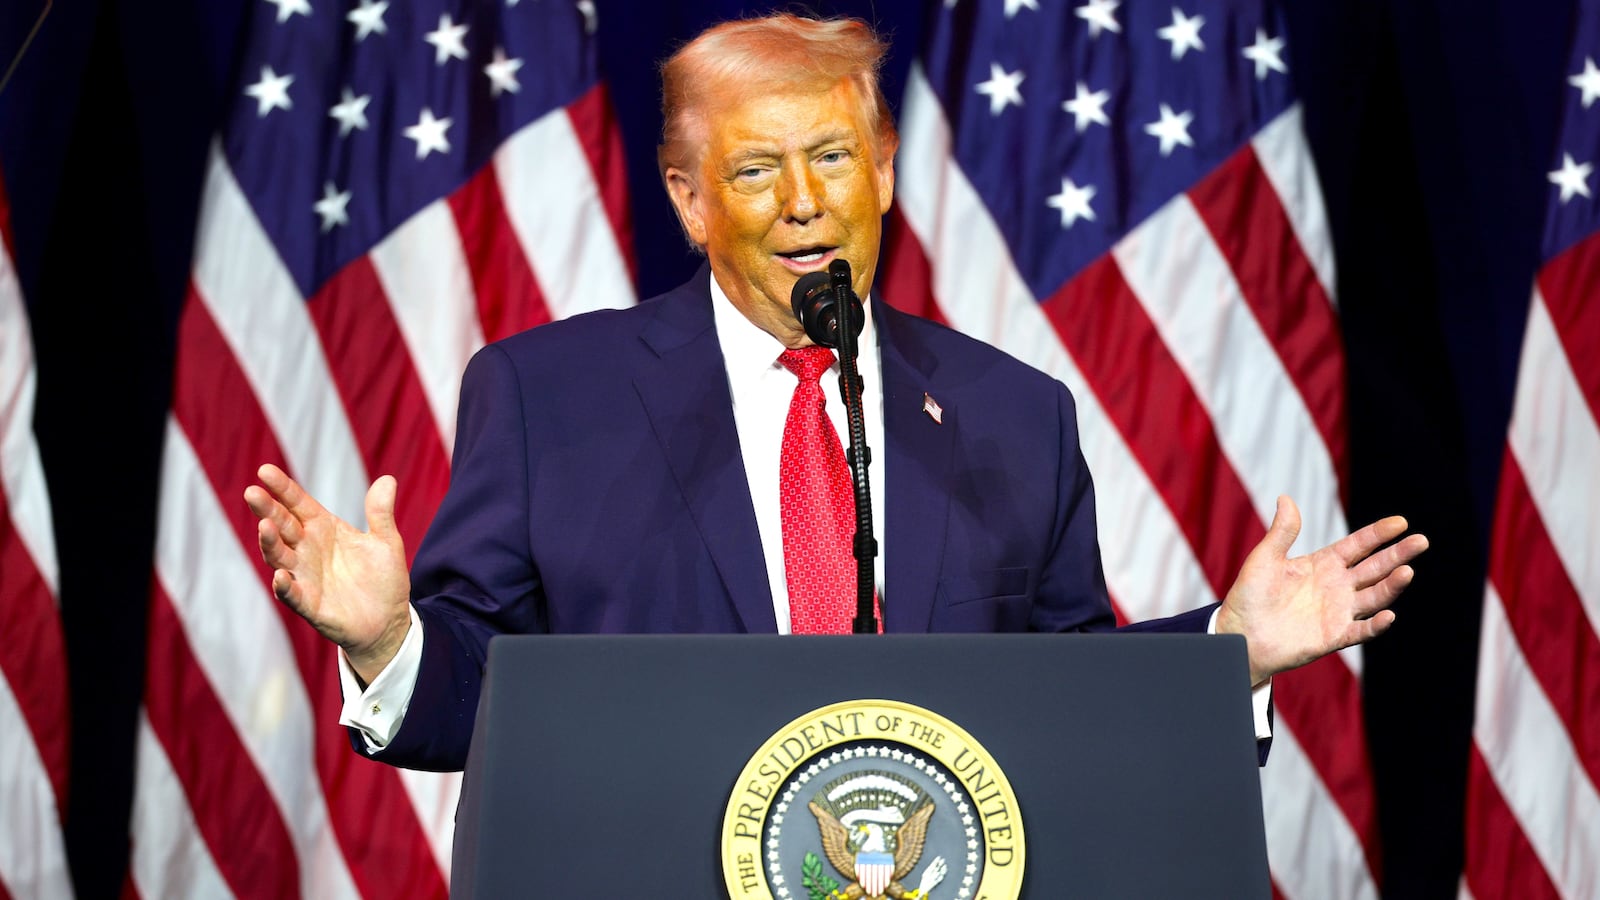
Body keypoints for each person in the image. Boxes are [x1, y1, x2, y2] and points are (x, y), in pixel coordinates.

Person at [244, 13, 1427, 773]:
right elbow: (482, 707)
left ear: (885, 170)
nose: (804, 202)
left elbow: (1068, 700)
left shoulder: (1015, 414)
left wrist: (1228, 651)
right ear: (690, 200)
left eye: (833, 160)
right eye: (755, 170)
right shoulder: (550, 398)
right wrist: (391, 641)